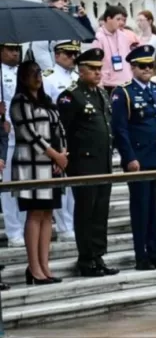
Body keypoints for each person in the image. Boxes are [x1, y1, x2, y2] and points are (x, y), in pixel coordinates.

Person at [110, 45, 156, 271]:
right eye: (142, 66)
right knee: (141, 209)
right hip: (140, 159)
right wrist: (129, 156)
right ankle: (142, 256)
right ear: (133, 67)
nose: (147, 69)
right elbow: (120, 129)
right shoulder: (124, 92)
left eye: (150, 65)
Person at [56, 48, 119, 277]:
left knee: (100, 211)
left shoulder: (101, 94)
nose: (97, 72)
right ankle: (86, 259)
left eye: (99, 68)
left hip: (103, 163)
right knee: (85, 211)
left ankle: (98, 256)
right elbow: (64, 130)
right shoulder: (70, 96)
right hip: (84, 163)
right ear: (81, 71)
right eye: (92, 69)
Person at [11, 61, 68, 285]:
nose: (37, 77)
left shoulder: (47, 102)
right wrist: (55, 154)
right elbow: (29, 133)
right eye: (32, 73)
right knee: (34, 214)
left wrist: (62, 155)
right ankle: (33, 267)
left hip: (52, 165)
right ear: (23, 78)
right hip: (30, 166)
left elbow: (59, 128)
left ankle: (45, 265)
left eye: (39, 73)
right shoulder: (19, 101)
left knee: (47, 215)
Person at [45, 40, 81, 242]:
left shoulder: (77, 77)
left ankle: (73, 222)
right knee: (62, 184)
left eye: (75, 54)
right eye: (68, 54)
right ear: (57, 55)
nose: (73, 58)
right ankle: (64, 225)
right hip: (58, 135)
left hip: (77, 135)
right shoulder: (49, 78)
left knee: (75, 181)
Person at [0, 43, 25, 247]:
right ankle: (13, 230)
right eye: (9, 49)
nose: (15, 52)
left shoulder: (24, 72)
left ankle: (26, 226)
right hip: (6, 136)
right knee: (8, 186)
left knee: (26, 184)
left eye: (17, 48)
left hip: (25, 133)